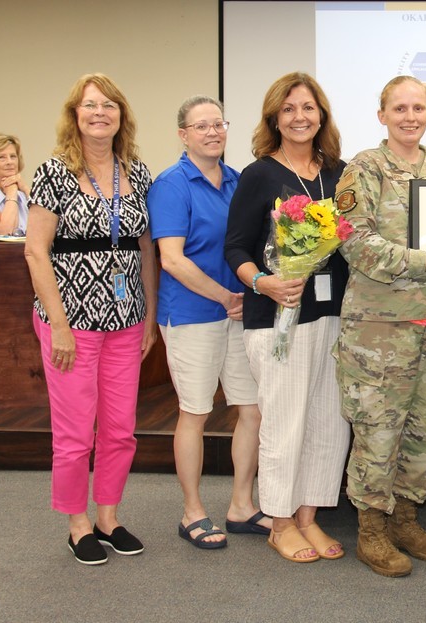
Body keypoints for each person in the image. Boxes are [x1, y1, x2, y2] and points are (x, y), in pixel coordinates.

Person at [333, 75, 426, 578]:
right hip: (380, 328)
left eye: (418, 107)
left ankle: (406, 518)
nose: (410, 116)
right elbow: (353, 242)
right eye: (399, 108)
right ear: (382, 114)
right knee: (378, 428)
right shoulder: (363, 169)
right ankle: (371, 529)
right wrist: (420, 261)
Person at [23, 73, 158, 565]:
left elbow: (146, 249)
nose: (100, 113)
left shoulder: (138, 174)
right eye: (90, 105)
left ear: (121, 116)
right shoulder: (52, 173)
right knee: (76, 430)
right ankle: (77, 523)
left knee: (121, 428)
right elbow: (36, 253)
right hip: (71, 321)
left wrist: (148, 315)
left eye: (109, 106)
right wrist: (57, 324)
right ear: (75, 115)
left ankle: (108, 517)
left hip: (125, 318)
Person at [225, 72, 350, 564]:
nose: (300, 117)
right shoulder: (259, 174)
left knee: (328, 421)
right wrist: (264, 281)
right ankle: (279, 521)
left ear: (321, 114)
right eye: (290, 109)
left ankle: (308, 516)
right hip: (278, 316)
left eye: (309, 107)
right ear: (275, 118)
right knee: (285, 422)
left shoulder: (339, 172)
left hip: (332, 316)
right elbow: (234, 246)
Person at [147, 95, 270, 550]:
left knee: (252, 411)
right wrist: (227, 297)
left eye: (218, 123)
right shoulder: (172, 185)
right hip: (193, 316)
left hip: (239, 314)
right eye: (201, 126)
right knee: (195, 413)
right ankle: (192, 512)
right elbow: (172, 261)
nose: (212, 132)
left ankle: (241, 504)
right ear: (183, 134)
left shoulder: (238, 180)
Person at [0, 133, 29, 235]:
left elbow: (47, 225)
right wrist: (11, 192)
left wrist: (26, 189)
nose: (9, 162)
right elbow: (5, 231)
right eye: (1, 157)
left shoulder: (22, 193)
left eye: (13, 156)